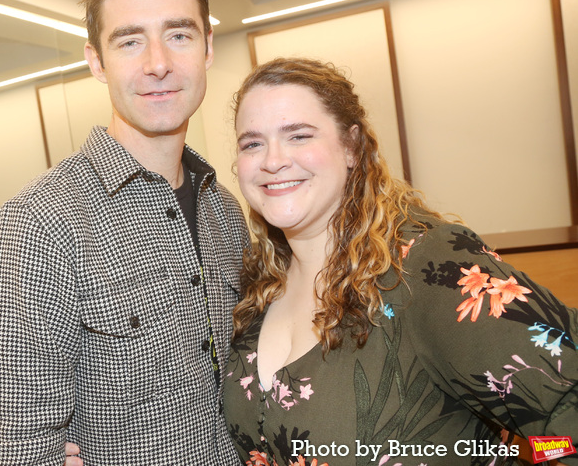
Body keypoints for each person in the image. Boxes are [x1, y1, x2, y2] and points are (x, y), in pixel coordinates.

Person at [0, 0, 248, 465]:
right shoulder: (37, 228)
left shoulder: (226, 210)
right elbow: (17, 449)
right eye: (129, 41)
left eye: (178, 34)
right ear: (96, 60)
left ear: (207, 47)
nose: (158, 63)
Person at [224, 57, 578, 466]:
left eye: (299, 136)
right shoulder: (258, 284)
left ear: (352, 146)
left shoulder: (429, 268)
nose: (272, 160)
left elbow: (567, 404)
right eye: (252, 143)